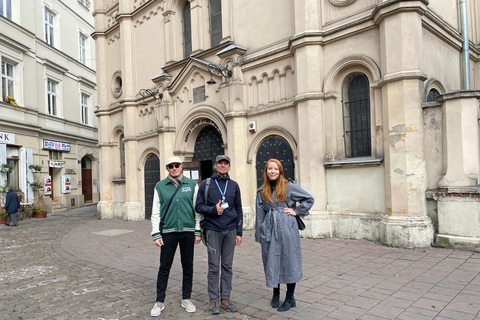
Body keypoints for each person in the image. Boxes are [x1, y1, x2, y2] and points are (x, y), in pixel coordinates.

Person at [255, 159, 314, 311]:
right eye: (269, 169)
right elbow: (259, 214)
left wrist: (297, 211)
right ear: (266, 171)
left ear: (280, 171)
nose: (272, 171)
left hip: (287, 227)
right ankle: (275, 293)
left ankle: (290, 297)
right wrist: (259, 235)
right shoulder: (262, 190)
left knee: (289, 259)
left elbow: (309, 199)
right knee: (271, 260)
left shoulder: (289, 186)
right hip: (269, 227)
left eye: (275, 169)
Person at [150, 156, 202, 317]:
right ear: (167, 168)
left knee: (188, 266)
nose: (174, 168)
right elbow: (155, 212)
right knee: (164, 267)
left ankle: (186, 298)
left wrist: (197, 230)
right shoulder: (160, 186)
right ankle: (159, 301)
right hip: (168, 233)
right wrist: (155, 233)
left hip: (187, 231)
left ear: (181, 167)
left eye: (177, 165)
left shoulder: (192, 184)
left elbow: (197, 209)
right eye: (171, 166)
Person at [195, 155, 243, 314]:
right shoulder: (206, 184)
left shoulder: (234, 185)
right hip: (213, 230)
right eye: (220, 163)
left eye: (226, 163)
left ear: (229, 166)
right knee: (214, 267)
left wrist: (239, 232)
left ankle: (225, 299)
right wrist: (213, 210)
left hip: (230, 231)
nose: (223, 166)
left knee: (227, 266)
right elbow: (198, 207)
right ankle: (213, 301)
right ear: (215, 165)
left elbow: (239, 209)